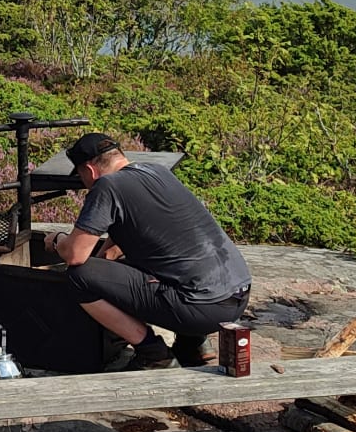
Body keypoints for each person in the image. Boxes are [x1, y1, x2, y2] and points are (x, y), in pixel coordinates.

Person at [52, 132, 252, 369]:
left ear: (90, 170)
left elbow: (76, 255)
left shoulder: (107, 185)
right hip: (238, 295)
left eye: (81, 176)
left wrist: (58, 240)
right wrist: (107, 256)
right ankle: (193, 344)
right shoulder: (157, 172)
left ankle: (153, 354)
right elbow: (135, 228)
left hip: (201, 307)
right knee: (167, 259)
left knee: (79, 277)